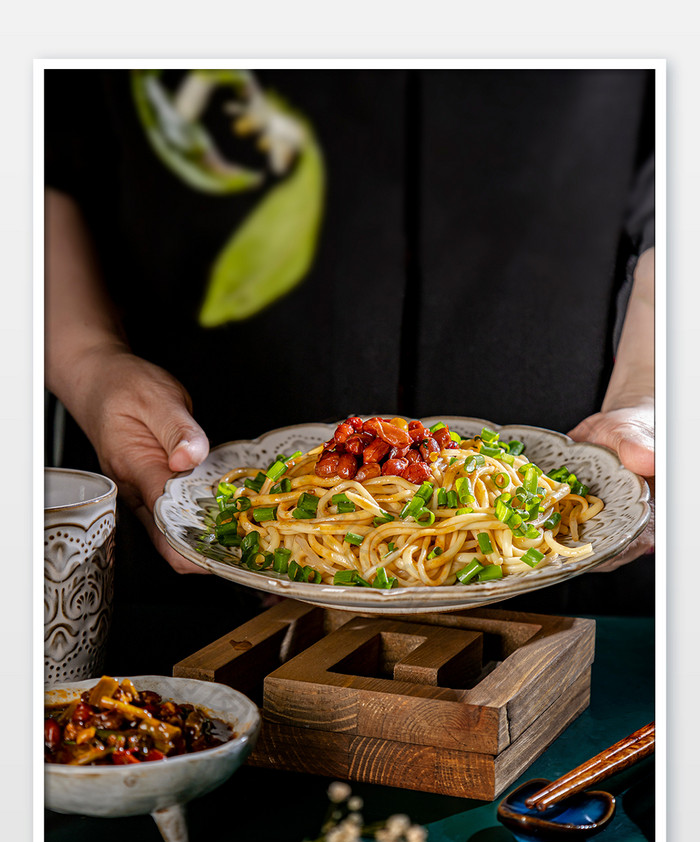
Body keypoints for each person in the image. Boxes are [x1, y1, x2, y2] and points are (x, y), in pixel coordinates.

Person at [44, 68, 655, 617]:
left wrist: (652, 389)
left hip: (575, 571)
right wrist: (88, 359)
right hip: (195, 521)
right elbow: (41, 141)